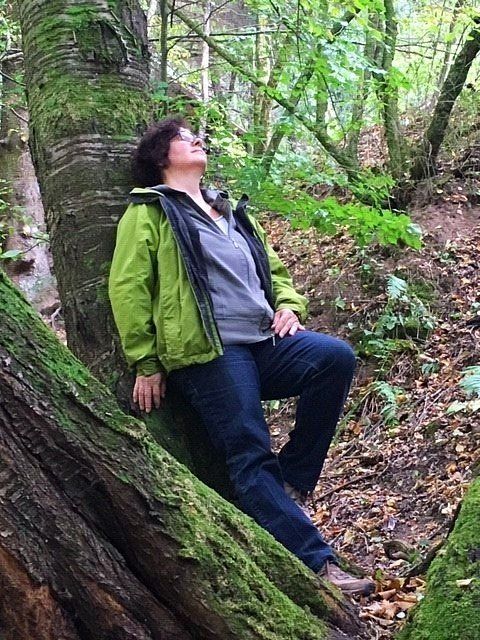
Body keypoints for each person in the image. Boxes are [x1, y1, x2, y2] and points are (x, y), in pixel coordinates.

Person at [108, 117, 375, 596]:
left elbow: (275, 271)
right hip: (210, 351)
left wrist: (289, 306)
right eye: (182, 137)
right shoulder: (149, 213)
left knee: (334, 358)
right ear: (160, 157)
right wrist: (145, 361)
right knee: (249, 451)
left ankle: (291, 481)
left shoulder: (228, 210)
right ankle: (318, 564)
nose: (196, 139)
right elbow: (128, 288)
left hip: (264, 342)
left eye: (196, 134)